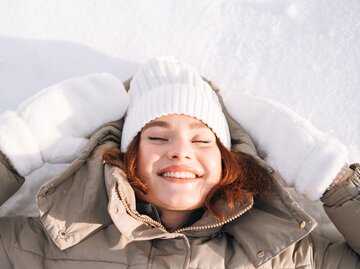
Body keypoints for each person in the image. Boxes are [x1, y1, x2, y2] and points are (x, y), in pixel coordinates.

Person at [0, 57, 359, 268]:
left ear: (227, 162)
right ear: (129, 158)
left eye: (203, 140)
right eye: (156, 137)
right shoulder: (55, 239)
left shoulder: (282, 256)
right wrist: (19, 145)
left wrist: (326, 171)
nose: (180, 151)